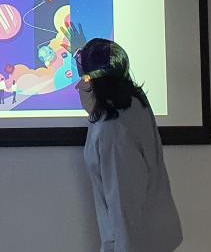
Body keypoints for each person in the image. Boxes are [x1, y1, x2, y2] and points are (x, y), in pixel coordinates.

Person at [64, 23, 183, 252]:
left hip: (134, 242)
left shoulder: (113, 133)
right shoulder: (134, 103)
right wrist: (85, 54)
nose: (78, 86)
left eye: (85, 79)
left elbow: (123, 203)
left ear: (99, 84)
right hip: (152, 235)